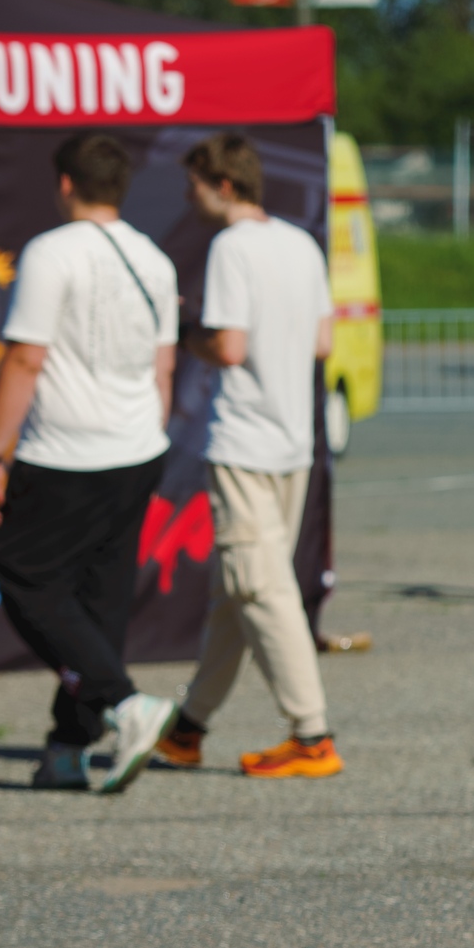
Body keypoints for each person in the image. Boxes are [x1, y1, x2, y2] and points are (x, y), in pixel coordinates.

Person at [0, 132, 181, 792]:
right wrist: (145, 433)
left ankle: (125, 703)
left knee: (23, 572)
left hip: (66, 451)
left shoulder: (52, 252)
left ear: (65, 184)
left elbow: (25, 359)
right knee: (101, 599)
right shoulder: (154, 259)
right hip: (138, 446)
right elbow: (164, 368)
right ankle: (68, 746)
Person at [152, 134, 341, 780]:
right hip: (291, 442)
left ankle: (311, 733)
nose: (190, 197)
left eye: (195, 185)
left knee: (259, 588)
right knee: (237, 590)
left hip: (244, 442)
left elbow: (229, 347)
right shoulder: (301, 243)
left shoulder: (231, 246)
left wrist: (186, 332)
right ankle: (188, 728)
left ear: (222, 185)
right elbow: (322, 341)